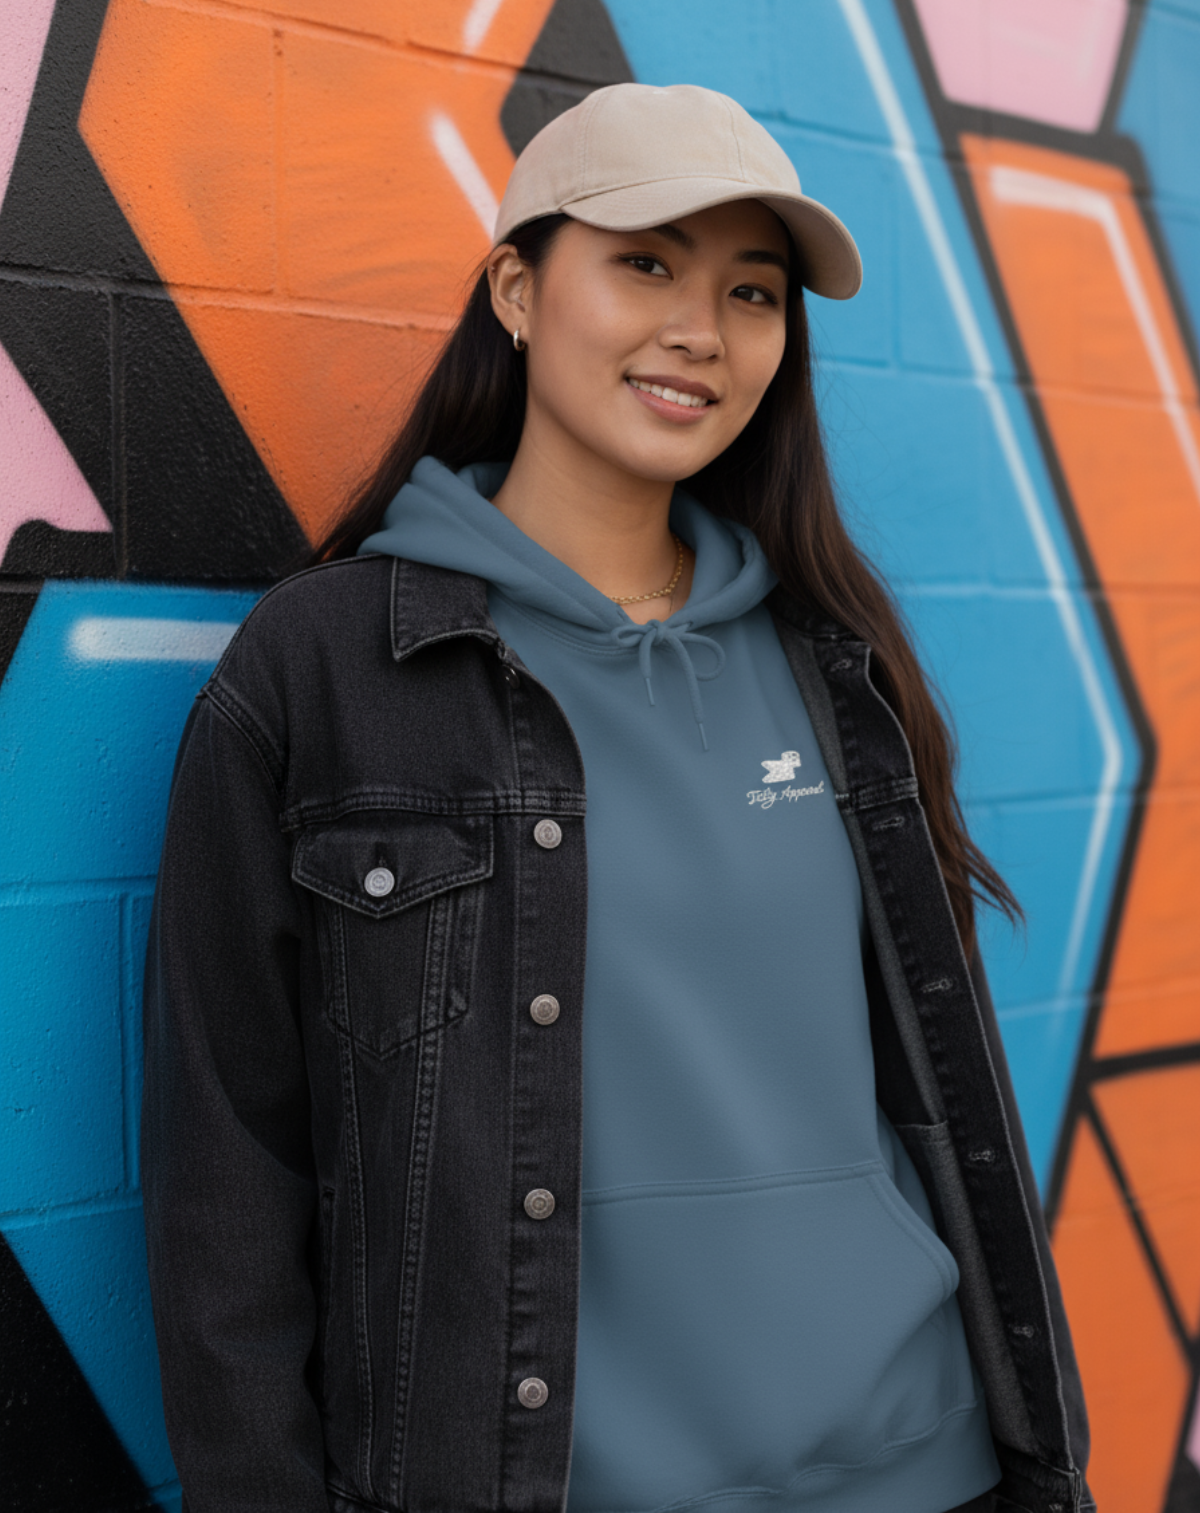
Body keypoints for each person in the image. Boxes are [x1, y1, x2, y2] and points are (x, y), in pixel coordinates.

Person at [142, 84, 1094, 1513]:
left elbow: (937, 1102)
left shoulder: (839, 670)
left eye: (751, 292)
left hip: (920, 1464)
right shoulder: (329, 669)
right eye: (645, 263)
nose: (702, 332)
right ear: (520, 291)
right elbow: (227, 1169)